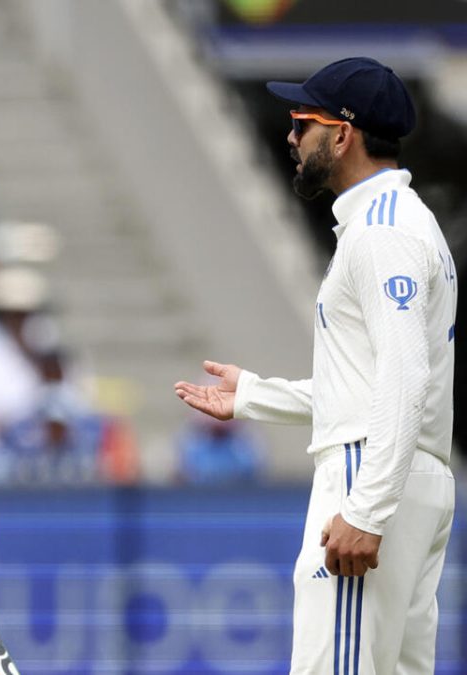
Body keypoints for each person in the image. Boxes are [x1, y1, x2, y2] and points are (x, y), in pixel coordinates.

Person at [174, 57, 456, 674]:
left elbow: (405, 377)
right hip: (410, 475)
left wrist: (366, 509)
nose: (291, 138)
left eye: (302, 122)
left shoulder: (383, 232)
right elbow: (377, 378)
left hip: (372, 474)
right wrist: (255, 396)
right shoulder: (401, 224)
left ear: (343, 134)